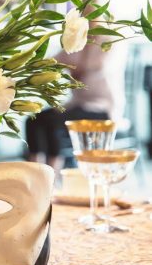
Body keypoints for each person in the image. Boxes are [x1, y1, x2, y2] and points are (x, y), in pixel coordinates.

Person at [25, 17, 127, 172]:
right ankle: (35, 170)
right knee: (34, 119)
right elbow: (52, 61)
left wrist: (76, 66)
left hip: (102, 108)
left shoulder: (108, 42)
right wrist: (32, 63)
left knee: (54, 121)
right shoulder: (76, 43)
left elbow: (100, 66)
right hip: (76, 105)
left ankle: (53, 172)